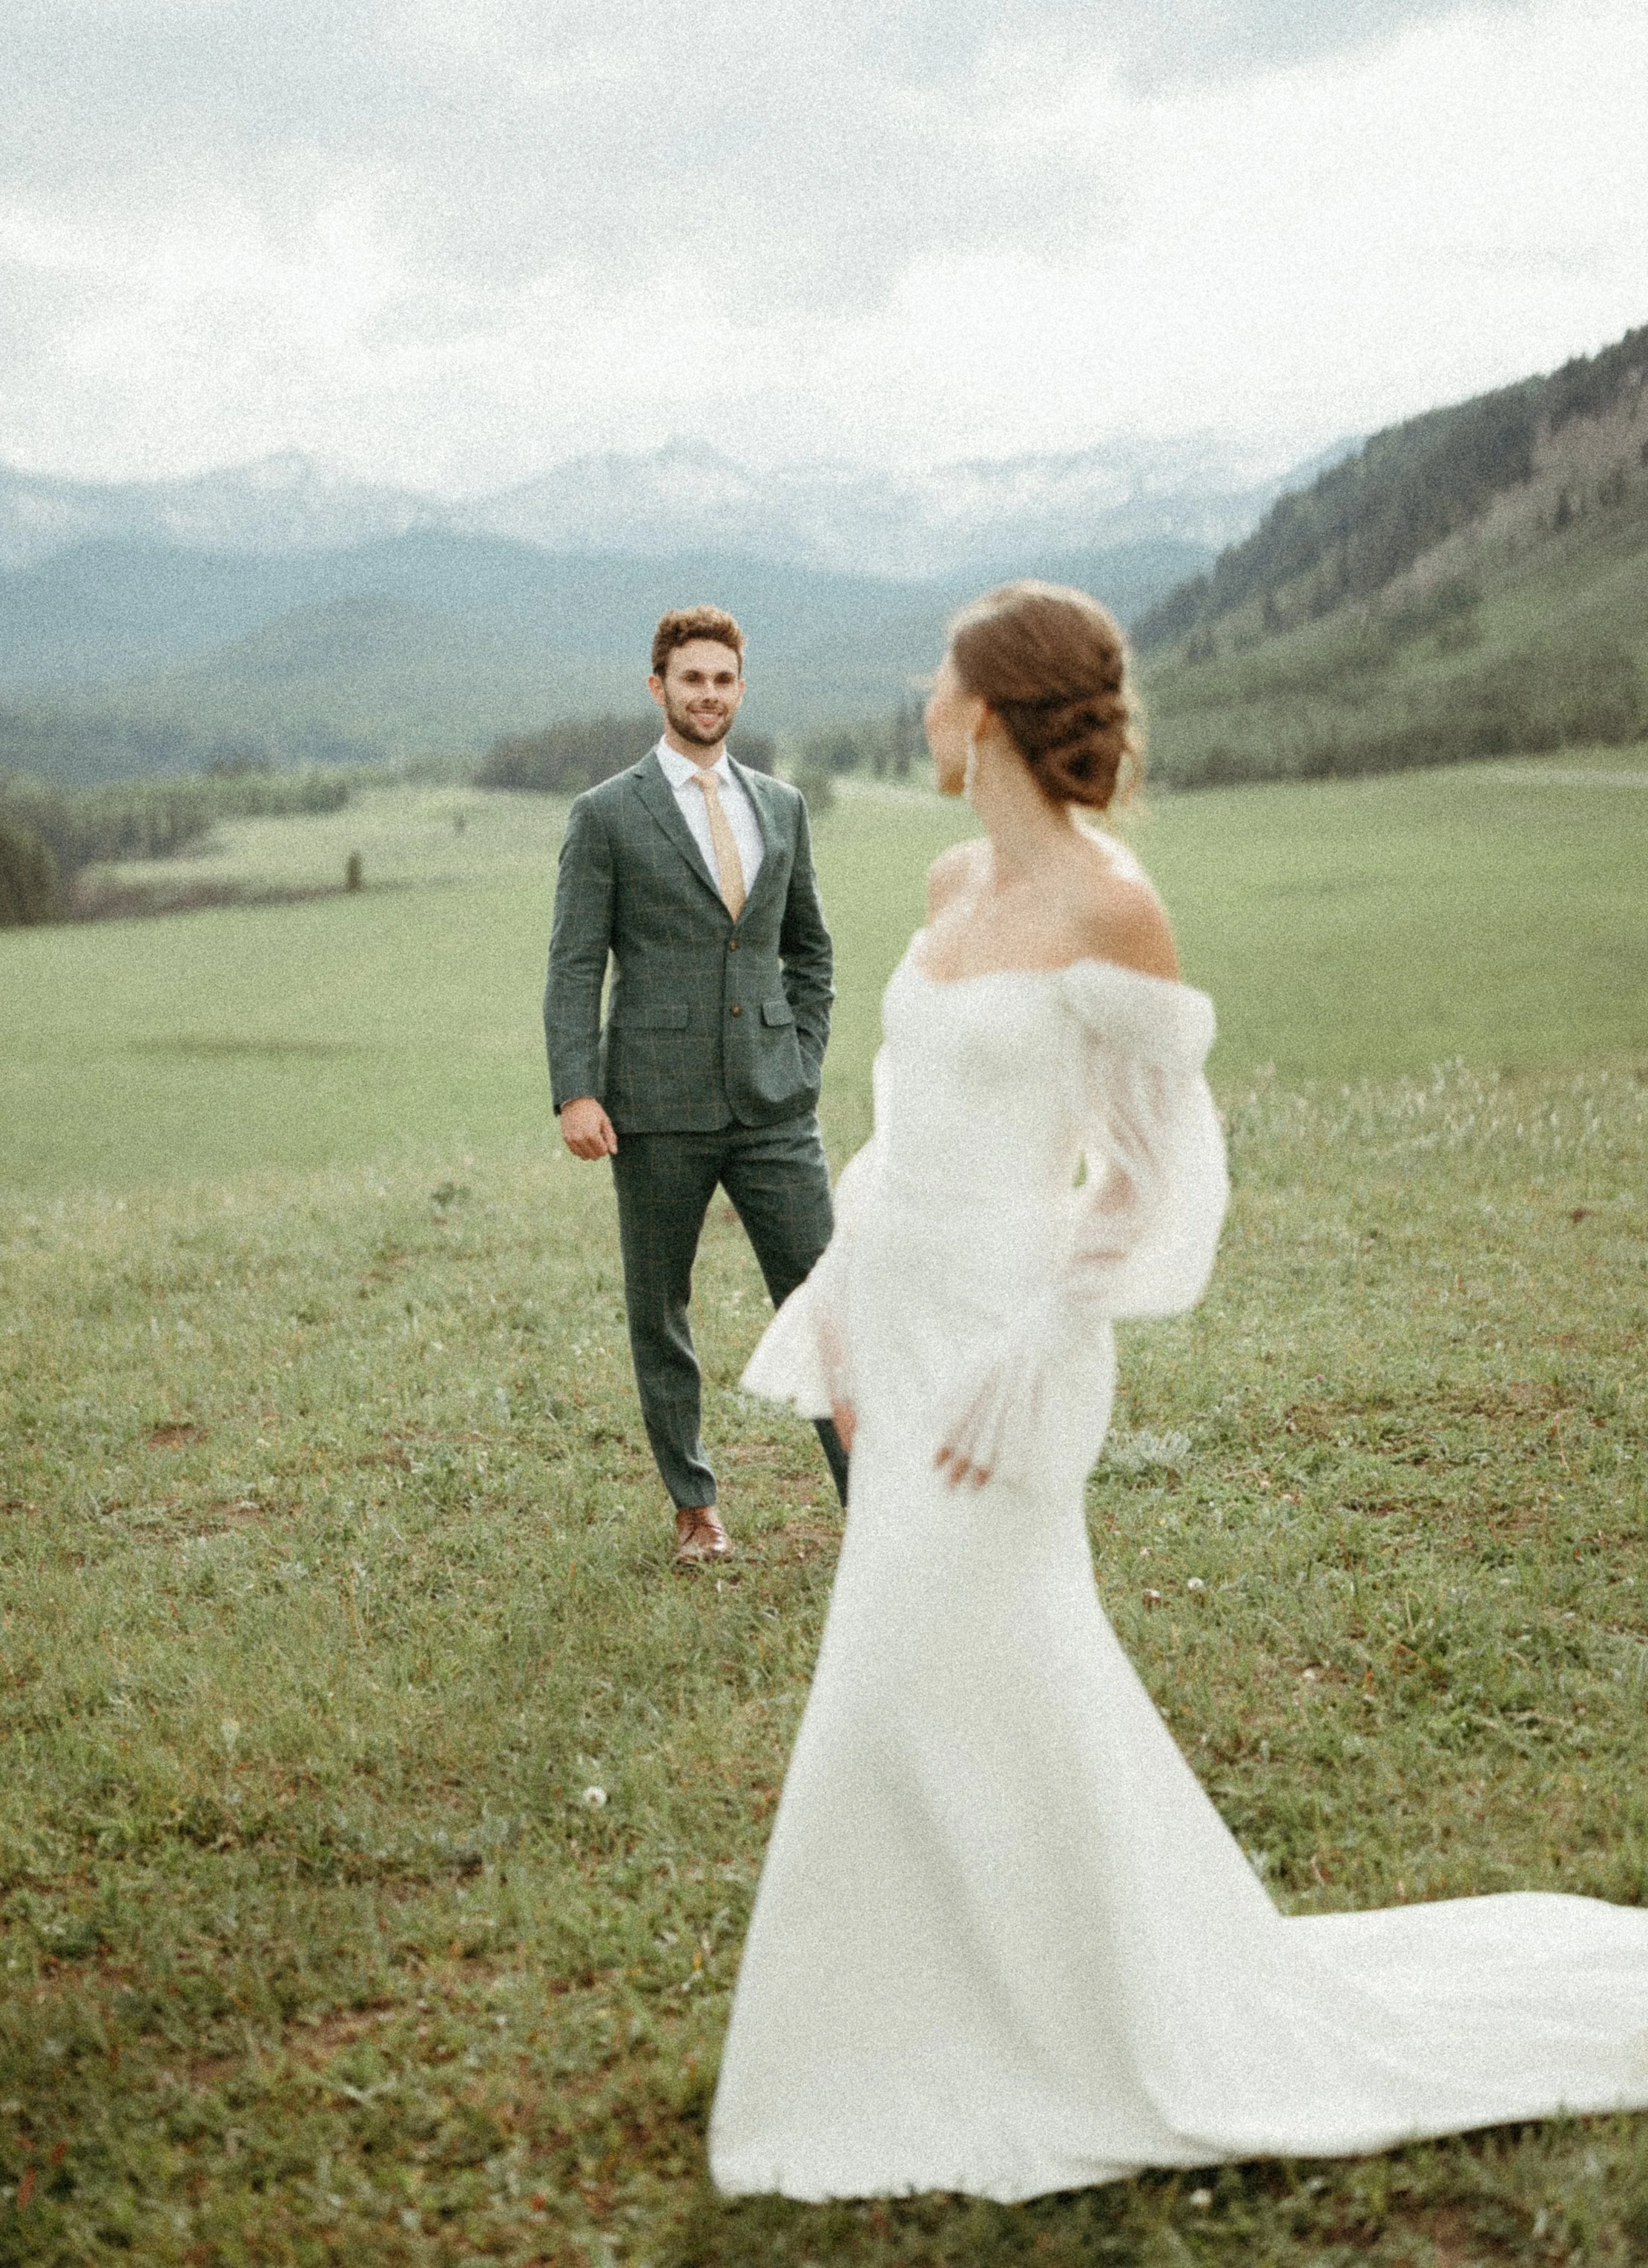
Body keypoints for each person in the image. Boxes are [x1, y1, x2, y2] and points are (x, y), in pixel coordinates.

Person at [709, 578, 1648, 2201]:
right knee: (920, 1673)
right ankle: (934, 2014)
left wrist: (1045, 1327)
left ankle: (1072, 2027)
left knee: (954, 1658)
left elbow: (1160, 1178)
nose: (920, 702)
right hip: (912, 1319)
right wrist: (846, 1312)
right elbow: (899, 1130)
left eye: (938, 680)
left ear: (991, 711)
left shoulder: (1108, 907)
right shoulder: (946, 884)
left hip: (1013, 1357)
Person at [544, 606, 848, 1570]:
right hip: (655, 1104)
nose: (707, 694)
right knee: (660, 1310)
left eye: (723, 679)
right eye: (690, 679)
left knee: (827, 1303)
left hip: (774, 1105)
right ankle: (695, 1506)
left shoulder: (783, 806)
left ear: (739, 689)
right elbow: (573, 964)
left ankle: (874, 1503)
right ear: (658, 687)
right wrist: (575, 1090)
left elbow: (811, 952)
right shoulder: (605, 814)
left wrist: (799, 1058)